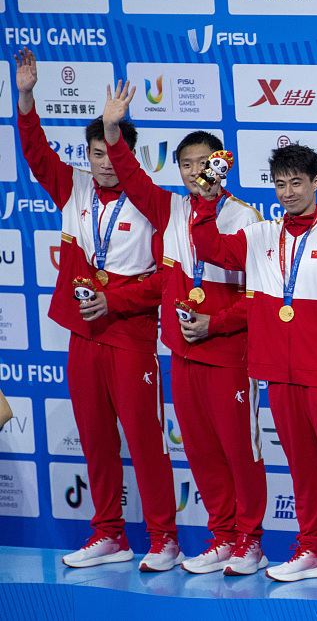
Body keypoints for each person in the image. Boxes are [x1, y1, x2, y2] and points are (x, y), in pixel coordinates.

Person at [14, 49, 179, 571]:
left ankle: (164, 540)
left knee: (146, 442)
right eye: (95, 153)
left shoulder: (155, 204)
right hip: (83, 337)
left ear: (128, 153)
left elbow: (162, 285)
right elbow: (37, 154)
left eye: (110, 152)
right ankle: (109, 534)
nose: (102, 162)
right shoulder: (74, 188)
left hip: (130, 338)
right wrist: (25, 97)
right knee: (96, 442)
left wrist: (116, 300)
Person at [102, 82, 268, 576]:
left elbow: (258, 301)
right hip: (183, 354)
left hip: (229, 354)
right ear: (178, 170)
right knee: (200, 451)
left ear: (222, 164)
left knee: (241, 451)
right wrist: (113, 130)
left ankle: (250, 541)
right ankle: (221, 536)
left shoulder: (245, 219)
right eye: (187, 164)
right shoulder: (170, 209)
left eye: (205, 162)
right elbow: (131, 179)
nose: (197, 171)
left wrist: (213, 323)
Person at [190, 140, 317, 586]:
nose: (287, 192)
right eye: (280, 184)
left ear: (316, 183)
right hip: (277, 371)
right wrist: (209, 198)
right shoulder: (260, 235)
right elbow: (209, 246)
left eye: (297, 183)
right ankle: (311, 546)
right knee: (300, 465)